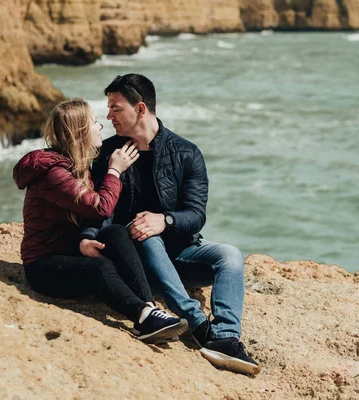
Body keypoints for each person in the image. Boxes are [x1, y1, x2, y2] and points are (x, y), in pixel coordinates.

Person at [80, 74, 261, 375]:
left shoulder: (186, 153)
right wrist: (88, 237)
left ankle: (227, 337)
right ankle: (200, 327)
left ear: (140, 109)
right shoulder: (108, 154)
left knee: (230, 254)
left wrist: (165, 220)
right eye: (108, 108)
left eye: (115, 108)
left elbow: (195, 214)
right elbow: (100, 207)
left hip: (180, 255)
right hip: (135, 260)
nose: (108, 115)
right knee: (144, 232)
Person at [13, 98, 188, 344]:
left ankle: (149, 308)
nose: (100, 127)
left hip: (70, 251)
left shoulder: (77, 165)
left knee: (116, 232)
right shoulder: (54, 174)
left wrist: (86, 239)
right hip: (44, 266)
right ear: (81, 132)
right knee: (100, 267)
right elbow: (101, 208)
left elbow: (102, 218)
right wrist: (115, 171)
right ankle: (141, 316)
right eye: (94, 122)